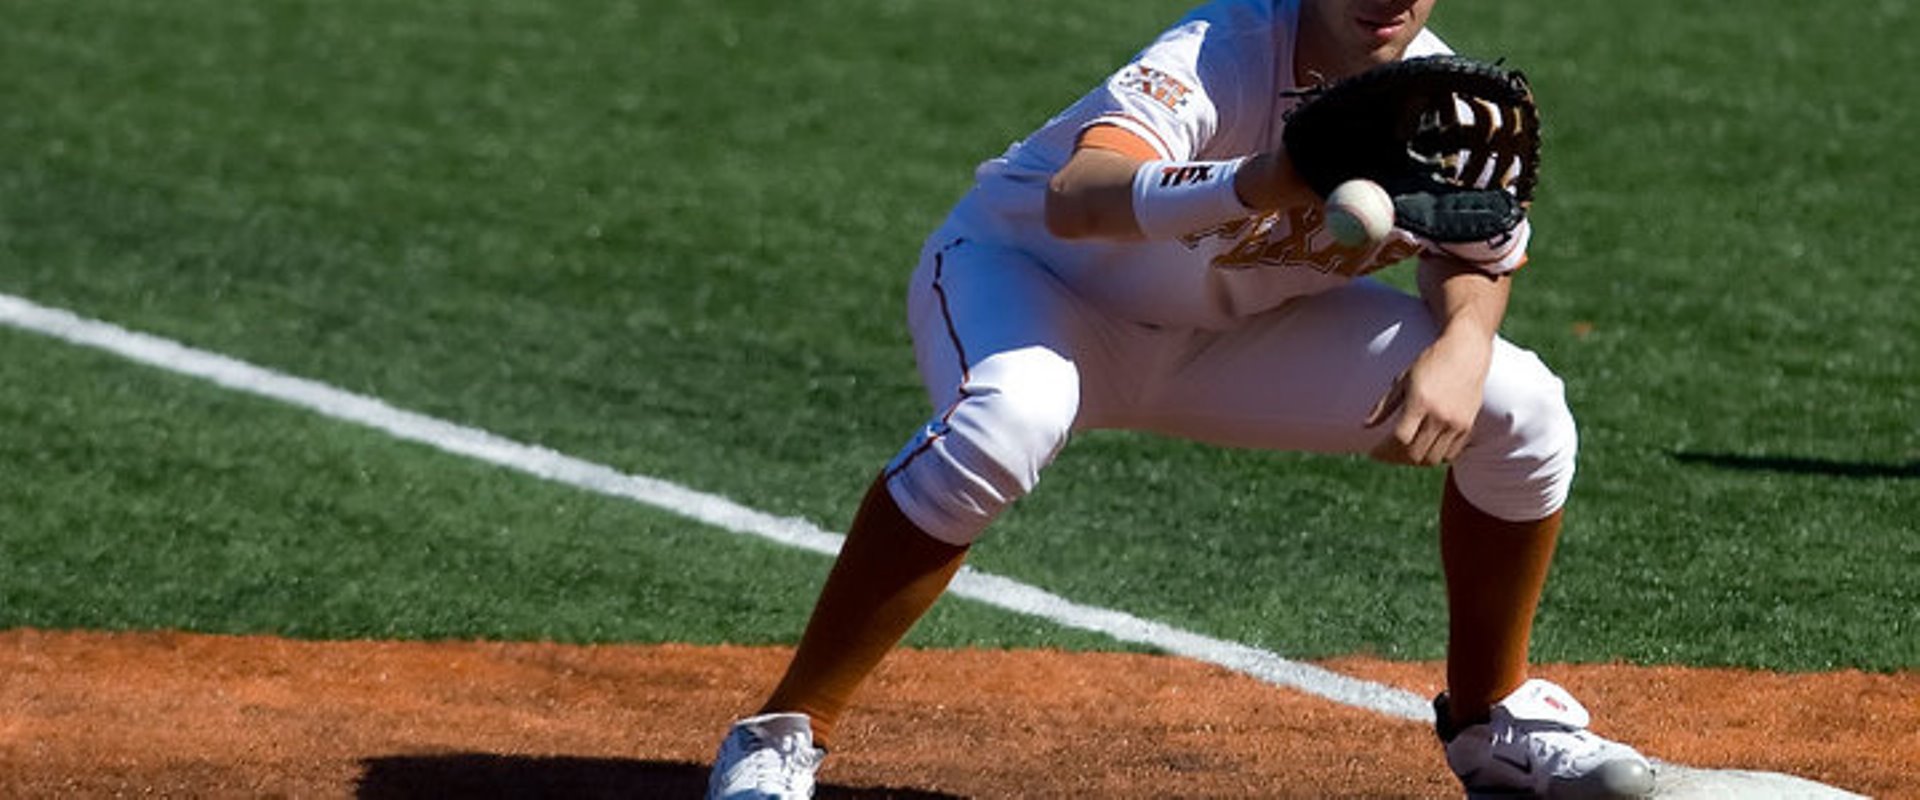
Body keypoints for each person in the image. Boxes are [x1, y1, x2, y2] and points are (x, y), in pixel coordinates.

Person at [706, 0, 1656, 797]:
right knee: (1006, 420)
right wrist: (1263, 180)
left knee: (1522, 407)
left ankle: (1491, 721)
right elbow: (1079, 196)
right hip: (1037, 286)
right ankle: (783, 729)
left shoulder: (1449, 104)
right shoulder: (1227, 48)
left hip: (1233, 334)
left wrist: (1463, 339)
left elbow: (1479, 248)